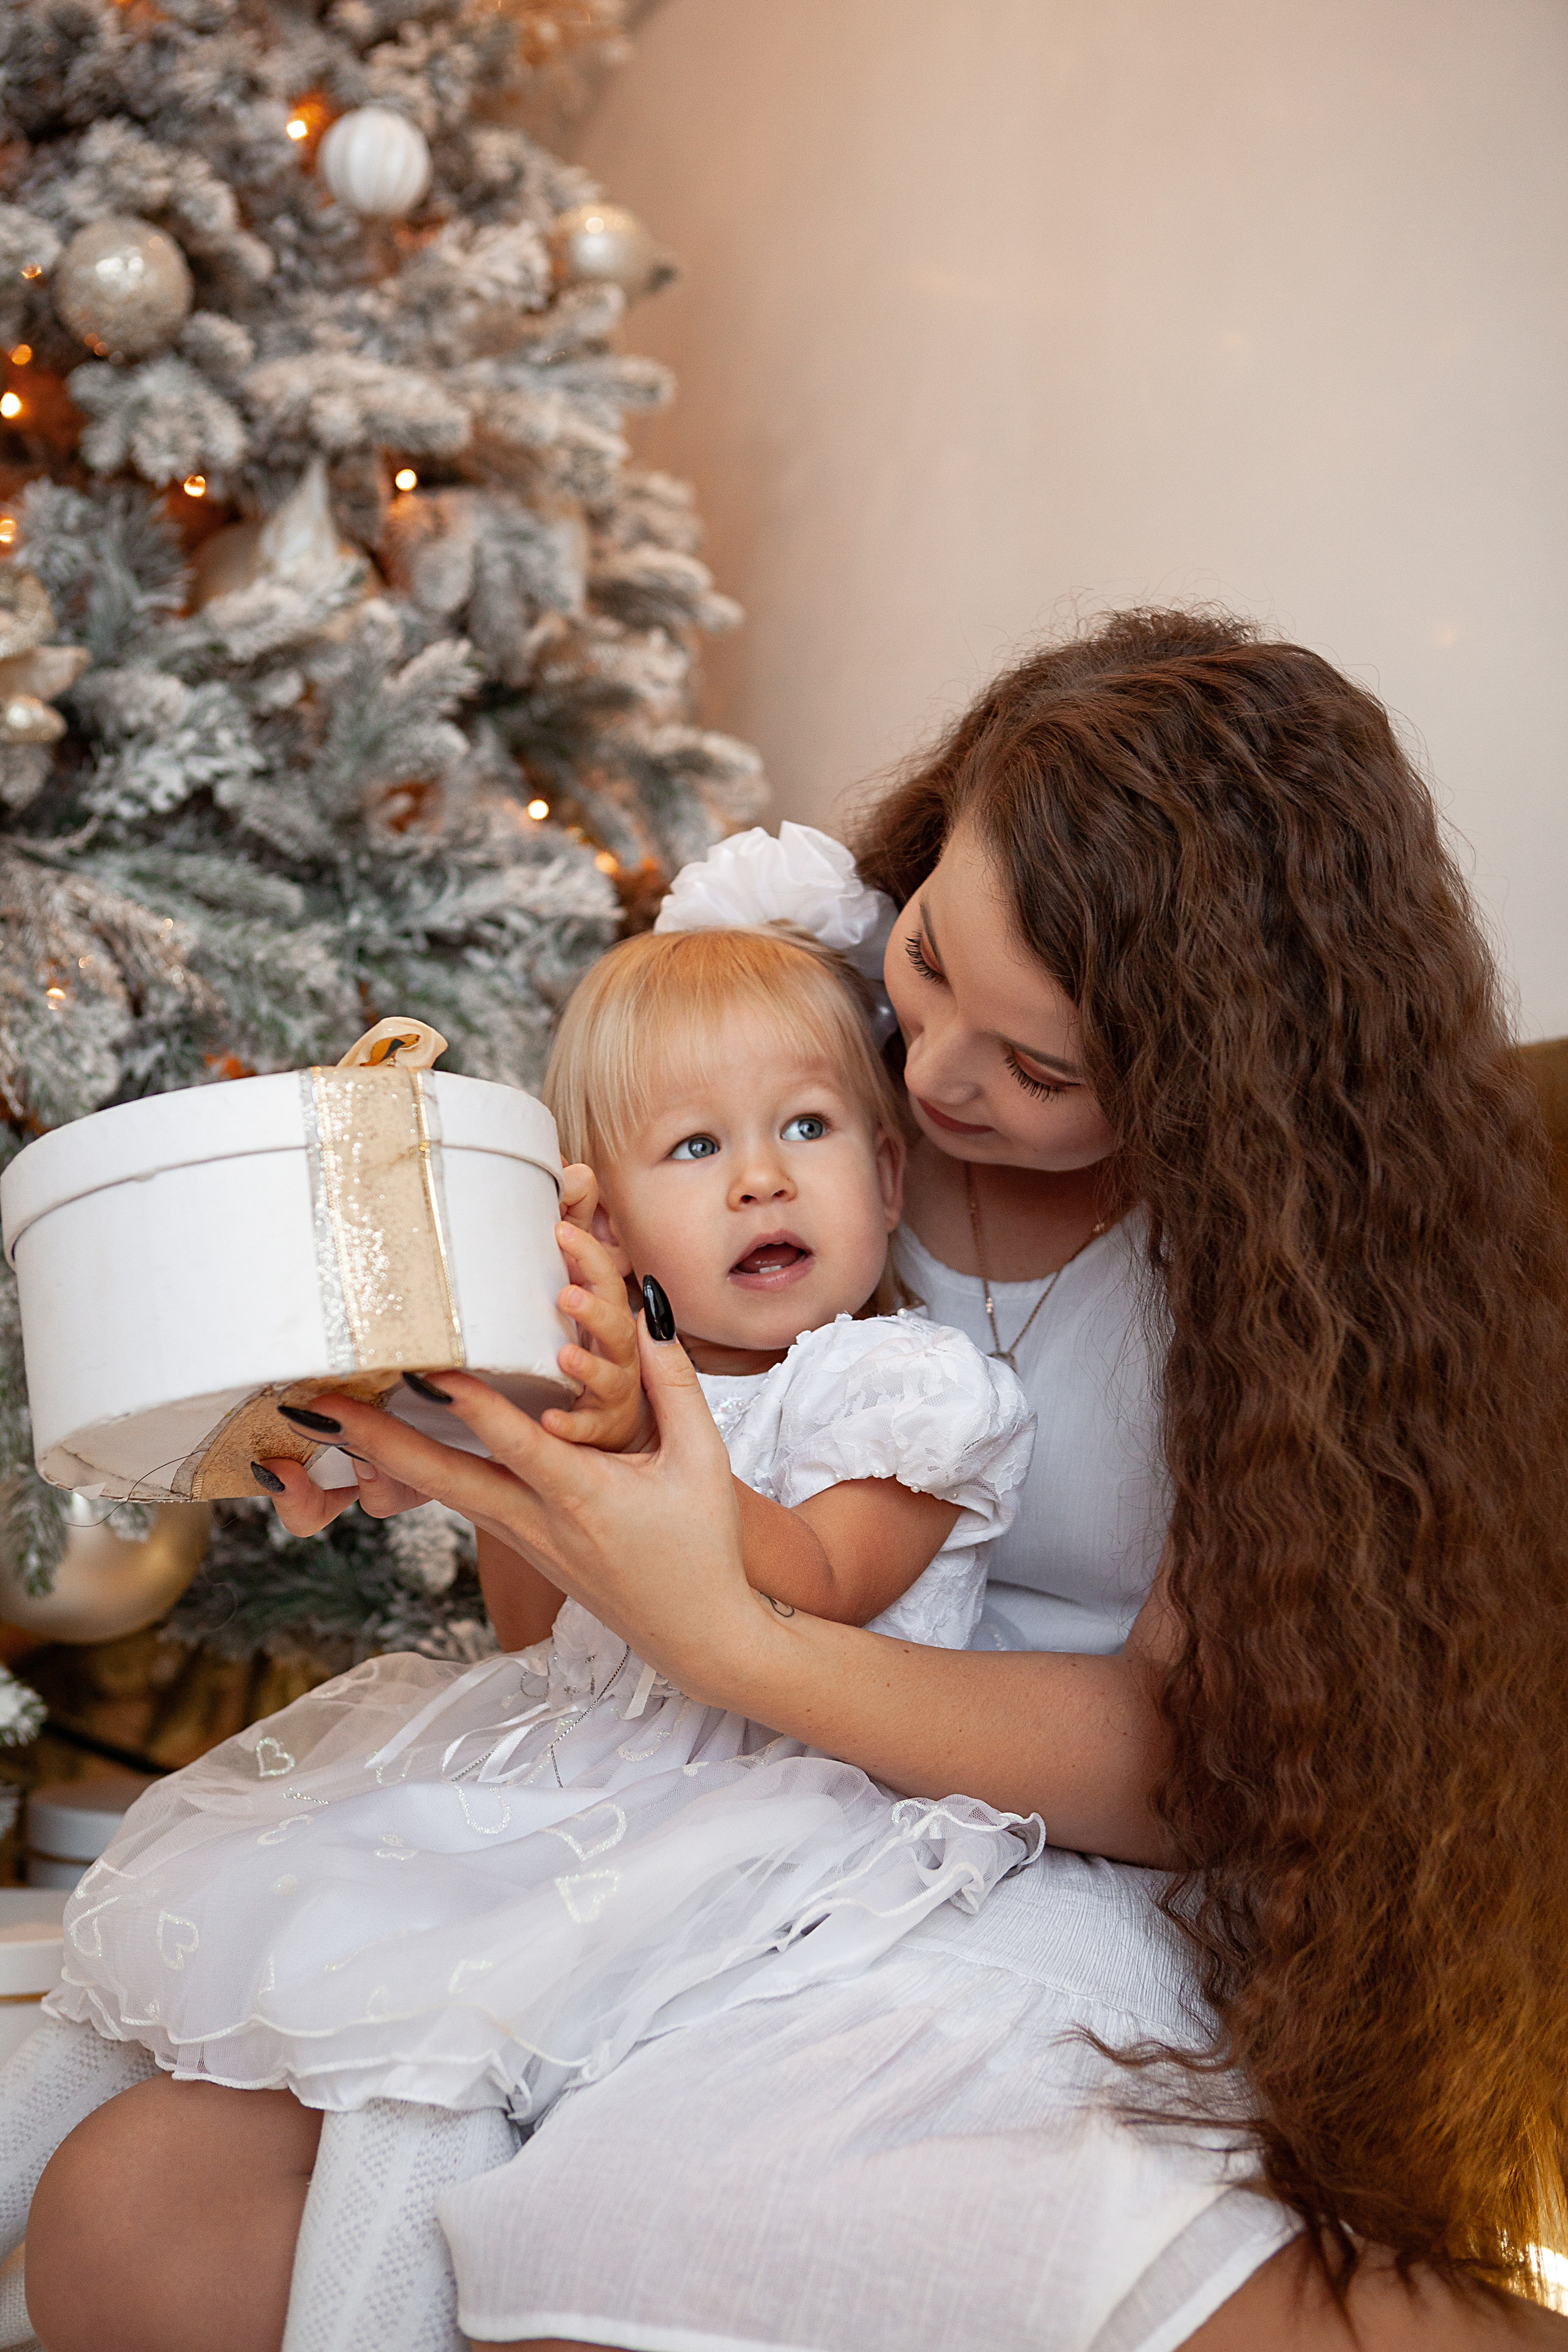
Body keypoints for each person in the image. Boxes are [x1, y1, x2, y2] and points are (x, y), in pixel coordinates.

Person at [24, 608, 1568, 2352]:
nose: (925, 1075)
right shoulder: (787, 1063)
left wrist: (738, 1638)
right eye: (924, 960)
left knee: (667, 2219)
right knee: (130, 2226)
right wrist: (512, 1442)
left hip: (1036, 1862)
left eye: (1042, 1066)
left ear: (1225, 1076)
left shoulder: (1296, 1267)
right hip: (672, 1799)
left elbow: (1197, 1760)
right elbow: (567, 1617)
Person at [21, 915, 1041, 2347]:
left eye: (804, 1126)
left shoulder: (901, 1384)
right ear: (603, 1235)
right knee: (270, 1941)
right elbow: (536, 1638)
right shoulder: (593, 1398)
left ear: (884, 1177)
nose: (760, 1175)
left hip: (775, 1796)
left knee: (447, 2042)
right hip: (572, 1776)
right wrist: (517, 1467)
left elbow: (814, 1584)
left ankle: (373, 2298)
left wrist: (631, 1446)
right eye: (694, 1149)